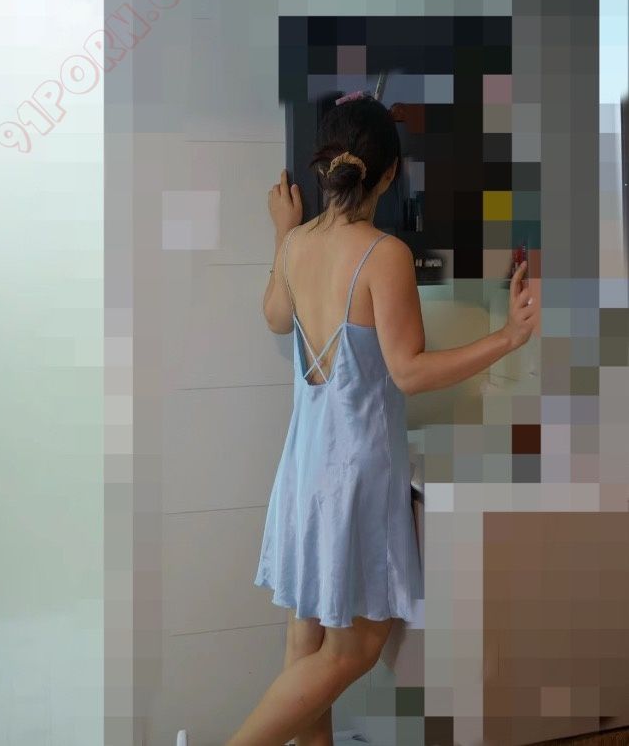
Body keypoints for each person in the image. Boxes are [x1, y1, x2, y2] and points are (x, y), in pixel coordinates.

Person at [226, 93, 538, 746]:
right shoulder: (383, 254)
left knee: (306, 643)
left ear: (323, 166)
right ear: (391, 172)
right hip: (356, 474)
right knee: (355, 650)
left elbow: (276, 318)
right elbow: (410, 372)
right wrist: (508, 338)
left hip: (303, 468)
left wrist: (283, 231)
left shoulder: (298, 244)